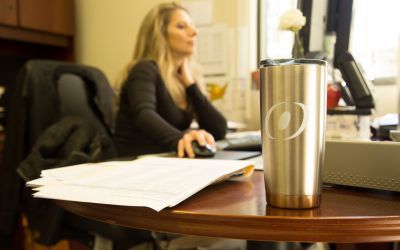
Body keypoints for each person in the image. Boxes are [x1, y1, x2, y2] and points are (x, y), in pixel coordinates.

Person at [113, 2, 227, 158]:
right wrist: (181, 139)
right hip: (132, 164)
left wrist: (190, 85)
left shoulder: (183, 78)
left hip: (165, 162)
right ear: (159, 34)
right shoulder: (145, 69)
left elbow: (218, 130)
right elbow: (144, 115)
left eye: (193, 26)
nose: (194, 32)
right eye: (181, 26)